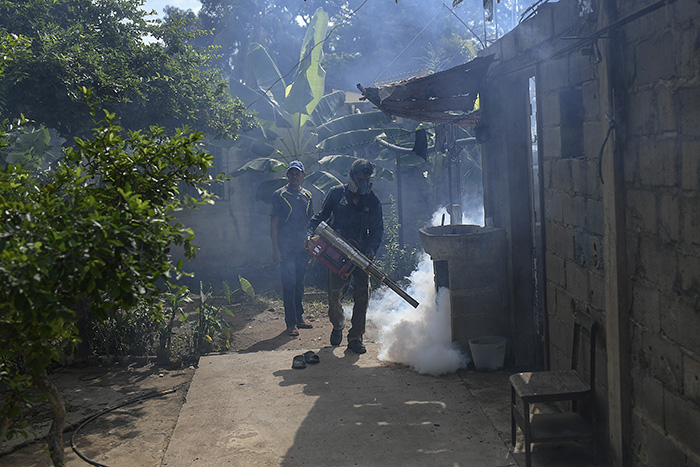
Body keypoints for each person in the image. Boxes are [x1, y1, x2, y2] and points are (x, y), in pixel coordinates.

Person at [307, 158, 383, 354]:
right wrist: (309, 234)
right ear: (351, 176)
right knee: (334, 296)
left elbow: (377, 231)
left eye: (366, 179)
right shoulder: (335, 194)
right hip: (336, 253)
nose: (363, 183)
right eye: (359, 179)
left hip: (361, 257)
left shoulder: (372, 201)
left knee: (362, 297)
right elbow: (319, 217)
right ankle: (338, 324)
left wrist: (371, 250)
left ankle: (356, 337)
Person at [270, 160, 314, 336]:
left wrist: (312, 248)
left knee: (300, 284)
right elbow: (273, 224)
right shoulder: (279, 195)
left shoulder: (308, 195)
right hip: (285, 248)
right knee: (289, 284)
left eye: (298, 173)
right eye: (291, 173)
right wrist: (276, 250)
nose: (294, 176)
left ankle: (299, 318)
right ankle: (290, 323)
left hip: (302, 247)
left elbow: (311, 223)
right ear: (287, 175)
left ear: (303, 175)